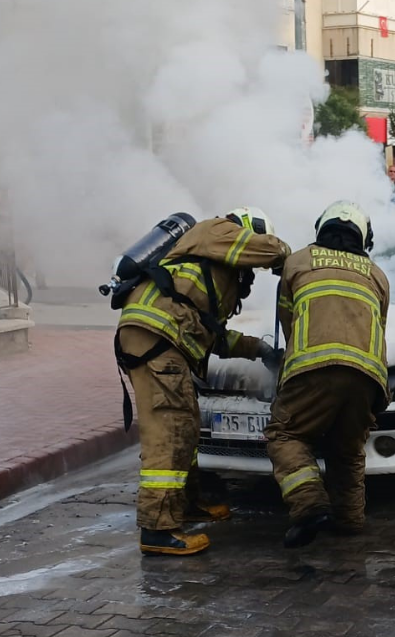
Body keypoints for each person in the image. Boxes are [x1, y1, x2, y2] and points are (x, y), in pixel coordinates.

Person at [116, 207, 290, 556]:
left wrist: (260, 350)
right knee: (170, 430)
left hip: (162, 337)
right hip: (157, 339)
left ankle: (187, 504)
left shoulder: (210, 268)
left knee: (188, 425)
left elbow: (214, 337)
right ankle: (157, 529)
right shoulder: (217, 230)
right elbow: (273, 249)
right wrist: (286, 258)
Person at [266, 201, 390, 548]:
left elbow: (288, 322)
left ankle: (308, 505)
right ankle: (349, 521)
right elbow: (379, 326)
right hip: (368, 376)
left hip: (312, 370)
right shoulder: (376, 274)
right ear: (363, 238)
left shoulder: (298, 261)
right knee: (348, 449)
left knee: (285, 435)